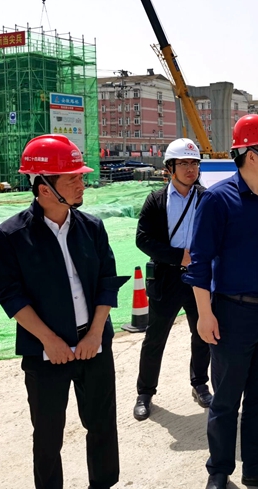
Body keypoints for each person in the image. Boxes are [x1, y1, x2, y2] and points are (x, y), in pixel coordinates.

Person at [0, 134, 129, 489]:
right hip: (45, 352)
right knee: (47, 435)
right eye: (72, 178)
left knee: (102, 425)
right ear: (44, 188)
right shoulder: (11, 236)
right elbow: (9, 295)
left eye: (80, 176)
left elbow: (107, 282)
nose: (81, 183)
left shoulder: (92, 227)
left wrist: (95, 334)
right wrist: (49, 341)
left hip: (93, 345)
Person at [182, 114, 258, 489]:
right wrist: (204, 315)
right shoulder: (218, 200)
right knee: (226, 400)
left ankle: (257, 468)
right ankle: (219, 472)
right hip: (233, 314)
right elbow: (199, 262)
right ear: (251, 155)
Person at [132, 138, 212, 422]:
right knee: (155, 338)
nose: (190, 169)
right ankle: (145, 392)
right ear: (170, 167)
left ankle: (200, 384)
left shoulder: (206, 198)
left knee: (202, 333)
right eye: (184, 163)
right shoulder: (156, 200)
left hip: (198, 279)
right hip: (167, 278)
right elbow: (143, 239)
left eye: (194, 163)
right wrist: (179, 256)